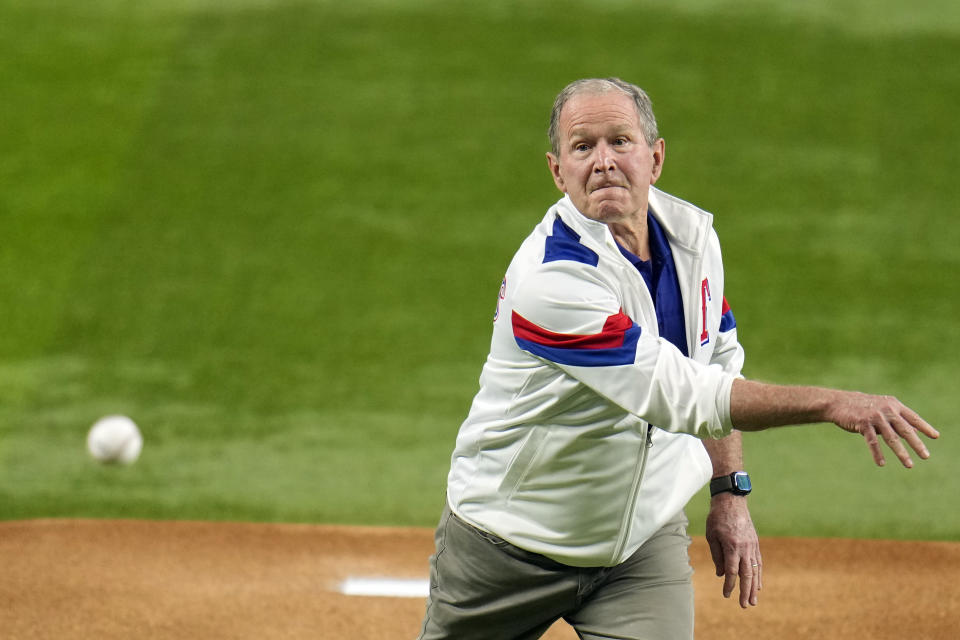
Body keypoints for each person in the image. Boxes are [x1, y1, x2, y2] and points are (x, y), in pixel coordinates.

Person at [416, 77, 938, 640]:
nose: (604, 162)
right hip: (509, 546)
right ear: (557, 169)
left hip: (640, 547)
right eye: (582, 147)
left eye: (621, 141)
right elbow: (685, 396)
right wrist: (833, 402)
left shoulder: (692, 238)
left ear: (656, 157)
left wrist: (729, 490)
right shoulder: (552, 282)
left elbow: (716, 356)